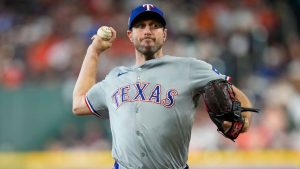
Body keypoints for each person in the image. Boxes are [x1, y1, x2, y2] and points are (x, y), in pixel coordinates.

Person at [72, 3, 254, 169]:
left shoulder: (189, 67)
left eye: (154, 26)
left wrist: (245, 121)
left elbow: (235, 95)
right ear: (130, 35)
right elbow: (79, 104)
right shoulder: (115, 77)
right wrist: (93, 51)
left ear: (164, 34)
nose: (147, 31)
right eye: (141, 26)